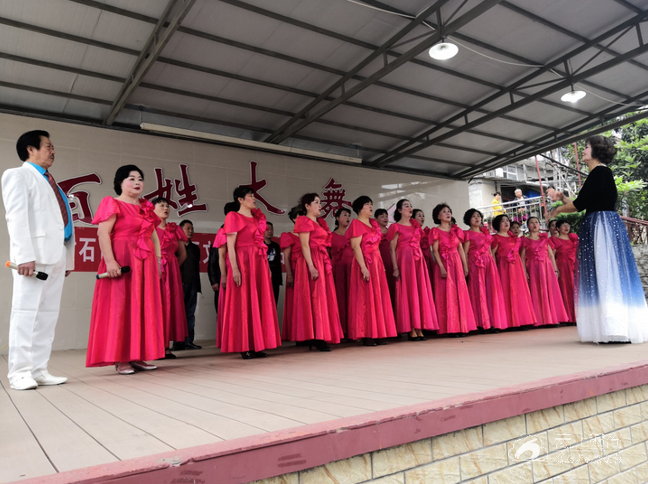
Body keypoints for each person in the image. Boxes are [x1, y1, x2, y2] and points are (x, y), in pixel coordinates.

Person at [548, 135, 648, 343]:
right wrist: (562, 199)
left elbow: (579, 204)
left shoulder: (600, 172)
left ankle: (613, 327)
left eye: (586, 147)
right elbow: (583, 202)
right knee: (604, 271)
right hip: (600, 224)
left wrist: (557, 210)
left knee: (604, 270)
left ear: (596, 151)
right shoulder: (599, 173)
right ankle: (609, 327)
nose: (583, 150)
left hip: (601, 225)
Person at [2, 130, 75, 390]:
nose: (53, 151)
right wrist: (24, 256)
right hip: (33, 258)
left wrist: (67, 259)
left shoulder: (52, 182)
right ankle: (19, 373)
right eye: (48, 146)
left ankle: (39, 369)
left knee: (47, 316)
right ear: (30, 149)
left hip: (56, 256)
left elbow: (61, 221)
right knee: (25, 314)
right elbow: (16, 217)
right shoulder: (17, 175)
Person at [86, 165, 165, 374]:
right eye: (131, 178)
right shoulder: (112, 203)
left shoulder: (146, 208)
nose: (137, 182)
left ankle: (137, 355)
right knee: (121, 307)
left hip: (145, 262)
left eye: (140, 178)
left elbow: (154, 237)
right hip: (122, 260)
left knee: (142, 306)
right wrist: (110, 262)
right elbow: (103, 234)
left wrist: (158, 263)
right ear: (120, 182)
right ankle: (121, 358)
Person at [221, 187, 281, 358]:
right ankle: (245, 345)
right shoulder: (233, 216)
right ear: (240, 199)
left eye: (254, 196)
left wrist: (266, 267)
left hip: (258, 262)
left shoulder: (257, 219)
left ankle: (257, 345)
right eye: (250, 196)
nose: (254, 198)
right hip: (243, 261)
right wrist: (235, 269)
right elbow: (231, 246)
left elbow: (261, 245)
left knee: (258, 301)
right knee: (244, 302)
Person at [292, 193, 343, 351]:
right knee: (314, 297)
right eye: (316, 202)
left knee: (323, 297)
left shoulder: (320, 223)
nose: (320, 205)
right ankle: (315, 336)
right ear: (307, 206)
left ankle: (321, 333)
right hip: (311, 260)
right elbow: (304, 245)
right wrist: (311, 266)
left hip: (322, 260)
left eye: (320, 202)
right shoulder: (303, 220)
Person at [346, 196, 397, 346]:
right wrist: (363, 267)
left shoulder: (373, 224)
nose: (370, 206)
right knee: (365, 297)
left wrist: (381, 264)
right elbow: (355, 247)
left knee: (378, 296)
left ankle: (378, 332)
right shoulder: (356, 224)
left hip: (376, 263)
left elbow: (377, 246)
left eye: (371, 204)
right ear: (359, 208)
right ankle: (366, 333)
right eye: (367, 204)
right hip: (364, 262)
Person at [387, 199, 438, 340]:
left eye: (410, 206)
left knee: (419, 291)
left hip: (418, 261)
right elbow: (392, 248)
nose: (410, 208)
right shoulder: (395, 226)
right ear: (399, 210)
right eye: (406, 206)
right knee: (408, 291)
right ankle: (411, 328)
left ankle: (419, 326)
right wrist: (395, 267)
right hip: (404, 261)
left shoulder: (415, 226)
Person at [430, 204, 477, 336]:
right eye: (444, 212)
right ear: (438, 216)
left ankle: (462, 326)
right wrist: (441, 267)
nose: (447, 213)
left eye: (449, 211)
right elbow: (435, 251)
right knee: (446, 294)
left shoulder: (456, 230)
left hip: (456, 263)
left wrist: (465, 266)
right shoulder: (435, 231)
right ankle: (449, 327)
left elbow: (460, 248)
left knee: (459, 293)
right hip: (444, 263)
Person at [153, 197, 188, 358]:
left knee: (170, 307)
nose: (166, 208)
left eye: (167, 206)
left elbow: (183, 254)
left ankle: (166, 346)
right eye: (161, 205)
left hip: (171, 271)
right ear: (153, 209)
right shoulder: (148, 228)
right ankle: (154, 345)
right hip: (154, 270)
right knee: (156, 306)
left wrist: (172, 268)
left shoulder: (174, 229)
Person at [463, 209, 508, 332]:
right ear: (468, 219)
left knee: (490, 291)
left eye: (478, 216)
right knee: (479, 291)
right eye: (473, 216)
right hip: (475, 263)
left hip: (488, 263)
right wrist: (465, 267)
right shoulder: (467, 233)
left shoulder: (485, 233)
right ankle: (481, 323)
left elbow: (489, 251)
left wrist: (493, 263)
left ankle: (492, 322)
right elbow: (465, 252)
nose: (477, 218)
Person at [491, 214, 537, 328]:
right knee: (506, 291)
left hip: (517, 267)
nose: (506, 222)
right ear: (497, 224)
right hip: (503, 267)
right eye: (503, 221)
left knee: (520, 291)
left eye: (507, 220)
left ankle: (522, 320)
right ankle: (508, 322)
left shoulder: (515, 238)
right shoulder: (495, 238)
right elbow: (492, 255)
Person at [520, 217, 568, 327]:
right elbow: (522, 257)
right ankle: (539, 320)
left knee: (549, 291)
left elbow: (551, 255)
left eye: (536, 222)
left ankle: (551, 319)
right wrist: (524, 271)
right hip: (532, 268)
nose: (534, 224)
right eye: (531, 222)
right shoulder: (525, 240)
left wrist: (555, 269)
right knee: (535, 291)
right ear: (528, 226)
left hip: (546, 267)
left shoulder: (545, 239)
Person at [175, 220, 202, 350]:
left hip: (192, 284)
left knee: (190, 313)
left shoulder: (195, 248)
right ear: (180, 230)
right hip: (179, 284)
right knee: (178, 313)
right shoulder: (175, 247)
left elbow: (196, 268)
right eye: (188, 228)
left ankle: (188, 341)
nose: (191, 231)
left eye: (192, 228)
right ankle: (178, 342)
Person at [213, 202, 237, 348]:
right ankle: (229, 338)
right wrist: (223, 275)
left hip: (243, 269)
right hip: (230, 271)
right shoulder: (223, 231)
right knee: (230, 306)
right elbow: (221, 257)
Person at [549, 220, 578, 324]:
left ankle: (577, 316)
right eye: (563, 226)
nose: (566, 227)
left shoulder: (573, 239)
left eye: (567, 225)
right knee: (565, 289)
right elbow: (552, 256)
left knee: (575, 289)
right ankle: (567, 317)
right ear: (557, 228)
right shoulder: (554, 240)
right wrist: (555, 269)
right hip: (562, 267)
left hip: (574, 266)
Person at [280, 207, 302, 342]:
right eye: (300, 216)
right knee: (296, 303)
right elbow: (286, 258)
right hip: (295, 271)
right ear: (294, 219)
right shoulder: (288, 236)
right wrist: (289, 275)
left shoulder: (309, 235)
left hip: (308, 272)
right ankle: (297, 335)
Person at [330, 208, 353, 336]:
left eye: (349, 215)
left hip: (352, 269)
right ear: (337, 218)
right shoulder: (331, 236)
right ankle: (341, 331)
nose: (347, 217)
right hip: (338, 270)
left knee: (352, 298)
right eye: (344, 215)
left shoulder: (353, 234)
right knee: (340, 299)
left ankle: (353, 330)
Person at [375, 208, 396, 309]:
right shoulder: (374, 232)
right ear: (376, 219)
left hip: (391, 260)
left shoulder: (391, 231)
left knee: (393, 284)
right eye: (382, 216)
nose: (385, 218)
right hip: (380, 261)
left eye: (386, 216)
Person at [413, 209, 435, 283]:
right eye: (419, 216)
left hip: (428, 259)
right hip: (418, 259)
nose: (422, 217)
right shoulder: (412, 232)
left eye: (423, 216)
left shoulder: (426, 232)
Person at [264, 221, 283, 305]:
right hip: (264, 278)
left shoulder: (276, 246)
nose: (270, 231)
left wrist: (279, 280)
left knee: (274, 302)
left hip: (275, 278)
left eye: (271, 229)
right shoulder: (259, 246)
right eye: (267, 229)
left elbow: (278, 264)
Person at [207, 243, 221, 314]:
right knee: (220, 308)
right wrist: (214, 281)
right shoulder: (216, 246)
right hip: (219, 281)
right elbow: (211, 265)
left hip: (234, 281)